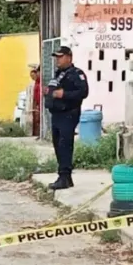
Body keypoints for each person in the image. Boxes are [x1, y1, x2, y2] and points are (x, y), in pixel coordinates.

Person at [45, 46, 89, 190]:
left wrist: (64, 95)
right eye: (56, 57)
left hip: (68, 114)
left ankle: (64, 176)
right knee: (58, 145)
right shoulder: (59, 74)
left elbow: (83, 92)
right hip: (56, 114)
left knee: (65, 145)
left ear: (69, 57)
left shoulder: (76, 74)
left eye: (60, 57)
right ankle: (65, 177)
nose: (58, 60)